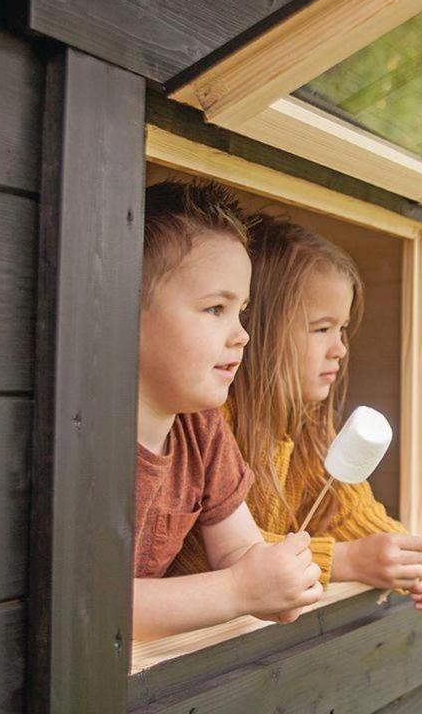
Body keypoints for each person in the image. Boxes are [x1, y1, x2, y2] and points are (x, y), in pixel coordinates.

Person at [171, 213, 422, 610]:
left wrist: (406, 555)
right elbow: (219, 552)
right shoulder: (213, 422)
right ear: (262, 329)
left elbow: (348, 511)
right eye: (321, 329)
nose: (341, 349)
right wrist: (345, 560)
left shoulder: (309, 426)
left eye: (343, 329)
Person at [133, 182, 323, 641]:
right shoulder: (84, 433)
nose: (242, 335)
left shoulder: (202, 429)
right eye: (216, 308)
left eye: (241, 311)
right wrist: (239, 591)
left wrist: (275, 579)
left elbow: (238, 547)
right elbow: (89, 602)